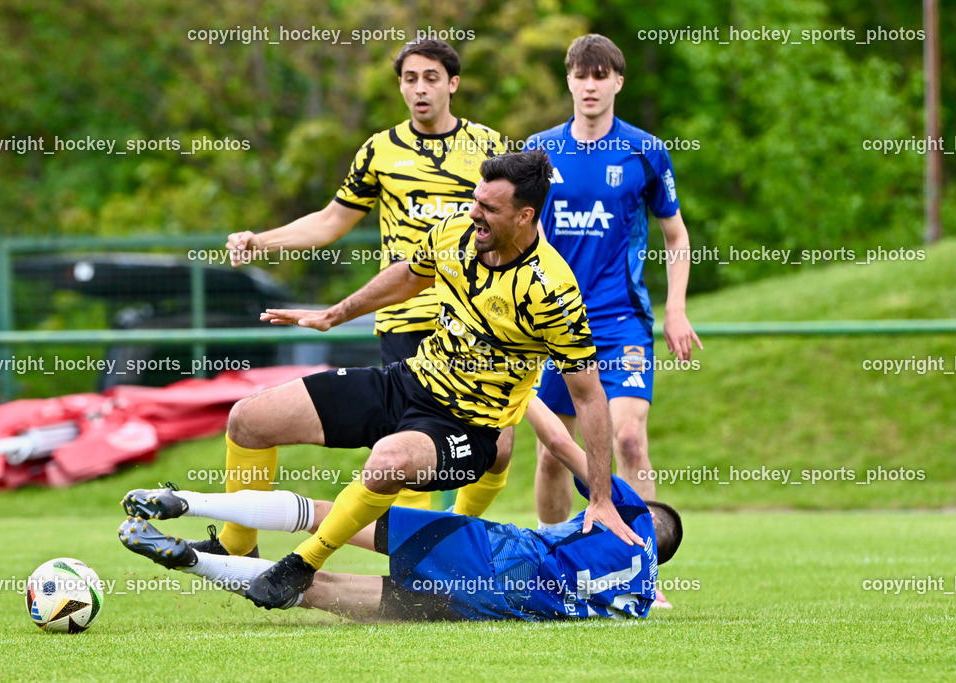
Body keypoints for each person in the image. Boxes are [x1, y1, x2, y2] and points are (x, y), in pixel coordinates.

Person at [166, 150, 639, 609]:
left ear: (524, 216)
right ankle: (235, 545)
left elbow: (589, 396)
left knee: (387, 461)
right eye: (475, 200)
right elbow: (409, 276)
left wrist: (600, 498)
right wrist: (336, 314)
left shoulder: (551, 291)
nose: (474, 213)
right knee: (249, 418)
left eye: (488, 208)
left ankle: (301, 565)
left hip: (468, 428)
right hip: (409, 380)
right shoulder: (457, 229)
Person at [209, 39, 510, 555]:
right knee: (417, 450)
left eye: (432, 78)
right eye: (410, 78)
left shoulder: (490, 147)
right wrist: (261, 240)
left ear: (453, 84)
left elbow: (521, 224)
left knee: (498, 447)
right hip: (408, 321)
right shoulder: (379, 151)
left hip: (477, 317)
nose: (420, 88)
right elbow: (330, 221)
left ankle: (447, 547)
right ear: (399, 85)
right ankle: (244, 550)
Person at [118, 399, 684, 621]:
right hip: (500, 607)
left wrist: (522, 389)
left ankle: (185, 502)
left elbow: (564, 446)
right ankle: (194, 562)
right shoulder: (638, 598)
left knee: (327, 514)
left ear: (646, 519)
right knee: (315, 589)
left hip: (500, 552)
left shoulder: (631, 514)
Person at [526, 35, 701, 534]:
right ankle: (554, 564)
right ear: (568, 81)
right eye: (580, 75)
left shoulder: (645, 151)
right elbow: (521, 235)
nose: (589, 85)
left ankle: (641, 566)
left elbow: (676, 236)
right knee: (552, 455)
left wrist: (676, 310)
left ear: (618, 82)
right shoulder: (539, 152)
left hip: (621, 319)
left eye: (600, 75)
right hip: (554, 323)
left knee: (628, 440)